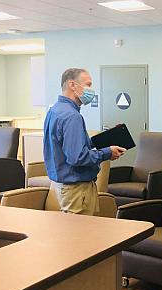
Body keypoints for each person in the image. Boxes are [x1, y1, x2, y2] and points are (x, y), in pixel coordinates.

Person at [43, 68, 125, 215]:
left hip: (66, 187)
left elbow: (72, 145)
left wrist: (105, 138)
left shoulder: (55, 110)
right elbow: (77, 157)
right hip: (77, 190)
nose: (91, 90)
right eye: (88, 85)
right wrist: (107, 153)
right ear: (72, 85)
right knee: (80, 236)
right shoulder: (72, 116)